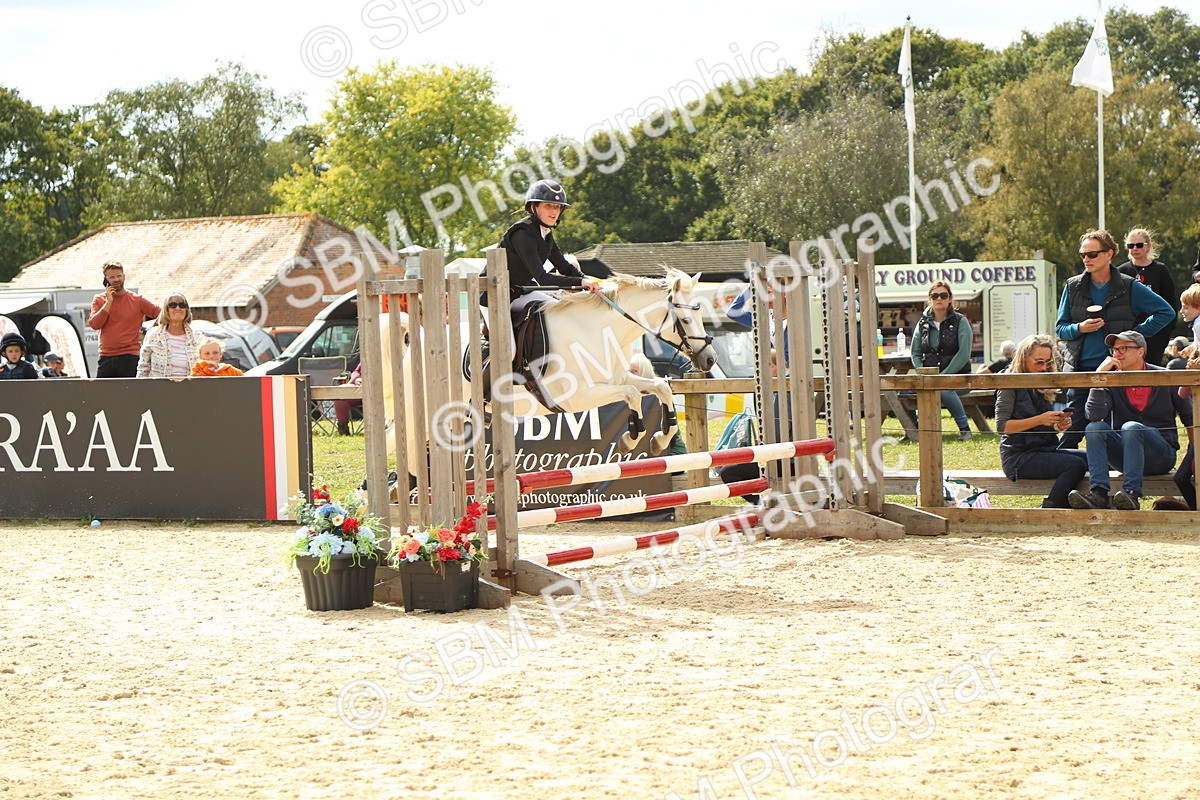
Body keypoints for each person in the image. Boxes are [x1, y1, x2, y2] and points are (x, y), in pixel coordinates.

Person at [1054, 229, 1174, 448]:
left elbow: (1166, 312)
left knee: (1112, 433)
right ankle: (1064, 472)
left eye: (1092, 254)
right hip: (1079, 370)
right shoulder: (1072, 286)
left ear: (1109, 254)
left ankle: (1112, 478)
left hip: (1116, 371)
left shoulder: (1129, 286)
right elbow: (1060, 328)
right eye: (1083, 254)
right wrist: (1079, 327)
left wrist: (1131, 338)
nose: (1086, 259)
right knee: (1072, 433)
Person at [1068, 331, 1192, 510]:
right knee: (1095, 428)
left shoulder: (1164, 376)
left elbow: (1190, 419)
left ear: (1140, 351)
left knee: (1132, 427)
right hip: (1125, 458)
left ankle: (1131, 494)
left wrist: (1193, 459)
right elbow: (1094, 415)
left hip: (1161, 456)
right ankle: (1099, 494)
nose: (1117, 354)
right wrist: (1099, 376)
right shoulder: (1111, 380)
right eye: (1114, 349)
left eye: (1123, 348)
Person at [994, 334, 1088, 509]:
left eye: (1047, 362)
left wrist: (1056, 425)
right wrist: (1040, 420)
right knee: (1074, 464)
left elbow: (1040, 424)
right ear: (1023, 358)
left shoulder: (1040, 380)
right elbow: (1002, 426)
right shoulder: (1009, 382)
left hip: (1044, 449)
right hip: (1018, 457)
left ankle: (1094, 502)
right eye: (1039, 362)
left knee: (1095, 458)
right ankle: (1050, 507)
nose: (1044, 367)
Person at [489, 179, 601, 318]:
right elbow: (542, 278)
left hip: (519, 293)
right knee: (509, 341)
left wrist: (589, 281)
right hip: (494, 297)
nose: (554, 211)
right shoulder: (523, 234)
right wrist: (581, 282)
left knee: (560, 311)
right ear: (533, 207)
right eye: (548, 205)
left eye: (558, 207)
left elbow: (565, 268)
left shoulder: (545, 235)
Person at [909, 281, 974, 440]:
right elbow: (915, 352)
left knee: (944, 389)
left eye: (943, 295)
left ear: (950, 299)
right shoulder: (922, 323)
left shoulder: (961, 321)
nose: (939, 298)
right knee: (904, 390)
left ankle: (965, 430)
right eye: (935, 295)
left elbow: (964, 353)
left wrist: (943, 376)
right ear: (929, 299)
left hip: (960, 378)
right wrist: (921, 372)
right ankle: (915, 429)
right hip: (930, 377)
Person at [88, 261, 161, 378]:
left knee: (130, 395)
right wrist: (108, 302)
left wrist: (147, 334)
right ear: (105, 280)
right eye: (112, 277)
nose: (116, 279)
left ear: (124, 277)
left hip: (130, 356)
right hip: (106, 356)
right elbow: (94, 324)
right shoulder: (99, 299)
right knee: (102, 395)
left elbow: (163, 313)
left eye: (119, 276)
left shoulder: (137, 300)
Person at [1117, 227, 1178, 366]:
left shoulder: (1161, 271)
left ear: (1148, 246)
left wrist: (1165, 335)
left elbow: (1171, 306)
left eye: (1139, 245)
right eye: (1130, 246)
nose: (1134, 249)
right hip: (1128, 333)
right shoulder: (1121, 271)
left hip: (1155, 333)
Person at [137, 293, 198, 378]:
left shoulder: (197, 336)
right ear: (166, 310)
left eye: (182, 305)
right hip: (159, 389)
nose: (178, 308)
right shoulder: (153, 335)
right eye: (172, 305)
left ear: (186, 309)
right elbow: (143, 367)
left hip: (191, 389)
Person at [334, 362, 363, 436]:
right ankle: (343, 429)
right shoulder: (367, 355)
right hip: (360, 389)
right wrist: (357, 379)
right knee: (341, 393)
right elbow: (356, 371)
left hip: (381, 390)